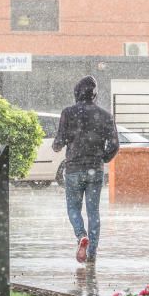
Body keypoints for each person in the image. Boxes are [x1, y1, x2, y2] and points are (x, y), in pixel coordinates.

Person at [53, 76, 119, 263]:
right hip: (95, 170)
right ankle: (92, 254)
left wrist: (58, 145)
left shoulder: (68, 113)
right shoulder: (105, 116)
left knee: (73, 208)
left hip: (73, 169)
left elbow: (59, 142)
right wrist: (103, 158)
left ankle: (81, 235)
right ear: (94, 94)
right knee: (93, 212)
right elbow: (114, 145)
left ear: (77, 93)